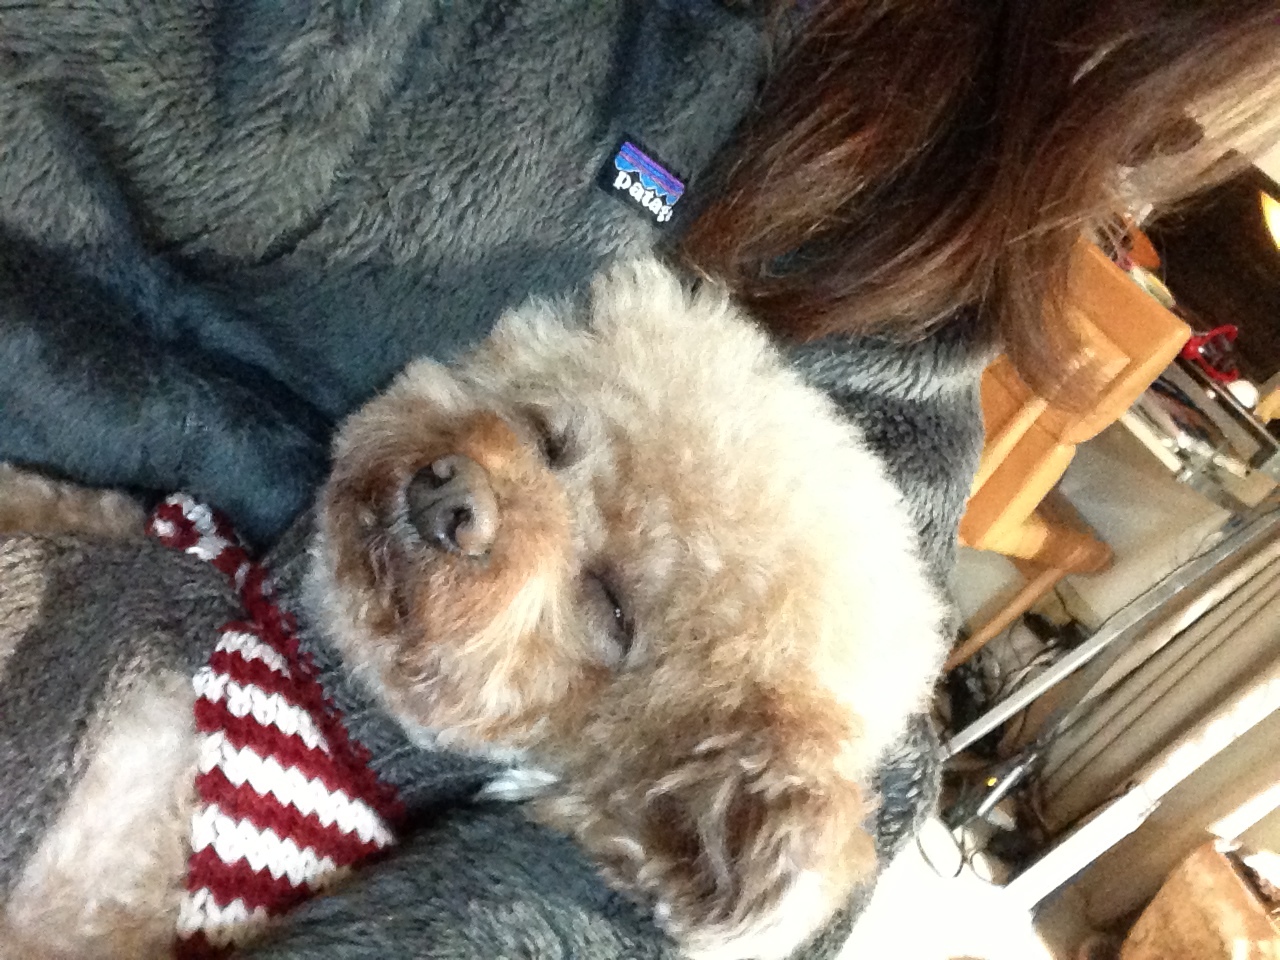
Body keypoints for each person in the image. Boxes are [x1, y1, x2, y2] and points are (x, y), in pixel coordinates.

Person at [0, 1, 1277, 956]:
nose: (477, 496)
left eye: (610, 604)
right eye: (549, 439)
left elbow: (835, 774)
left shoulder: (912, 181)